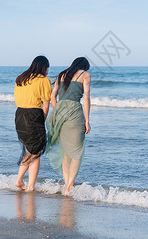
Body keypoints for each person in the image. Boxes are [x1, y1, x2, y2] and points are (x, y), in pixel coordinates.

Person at [47, 57, 91, 195]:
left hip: (59, 113)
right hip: (75, 113)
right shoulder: (85, 75)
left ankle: (67, 183)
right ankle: (70, 186)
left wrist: (59, 110)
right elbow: (86, 98)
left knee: (66, 151)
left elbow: (52, 97)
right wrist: (87, 121)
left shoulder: (61, 75)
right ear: (84, 66)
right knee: (77, 151)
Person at [14, 55, 51, 191]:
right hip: (34, 116)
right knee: (36, 152)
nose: (48, 71)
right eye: (47, 68)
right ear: (43, 68)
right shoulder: (44, 80)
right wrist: (42, 120)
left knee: (32, 150)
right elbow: (46, 105)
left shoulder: (20, 79)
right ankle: (29, 186)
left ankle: (21, 181)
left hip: (19, 115)